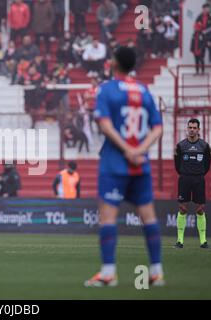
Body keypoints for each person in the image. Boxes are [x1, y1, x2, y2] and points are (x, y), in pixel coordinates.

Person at [85, 47, 164, 287]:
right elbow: (158, 128)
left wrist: (127, 150)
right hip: (141, 165)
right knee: (148, 216)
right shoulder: (144, 90)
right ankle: (157, 272)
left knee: (108, 216)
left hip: (114, 163)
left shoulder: (107, 89)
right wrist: (139, 151)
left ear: (114, 63)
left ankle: (108, 273)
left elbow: (105, 125)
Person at [174, 119, 211, 249]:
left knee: (200, 210)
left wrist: (200, 173)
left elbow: (207, 164)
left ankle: (203, 241)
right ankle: (180, 241)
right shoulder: (180, 146)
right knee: (182, 209)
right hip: (184, 179)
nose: (192, 130)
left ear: (198, 129)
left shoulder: (204, 146)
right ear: (187, 128)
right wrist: (184, 173)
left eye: (194, 128)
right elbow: (177, 164)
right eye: (190, 127)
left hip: (199, 179)